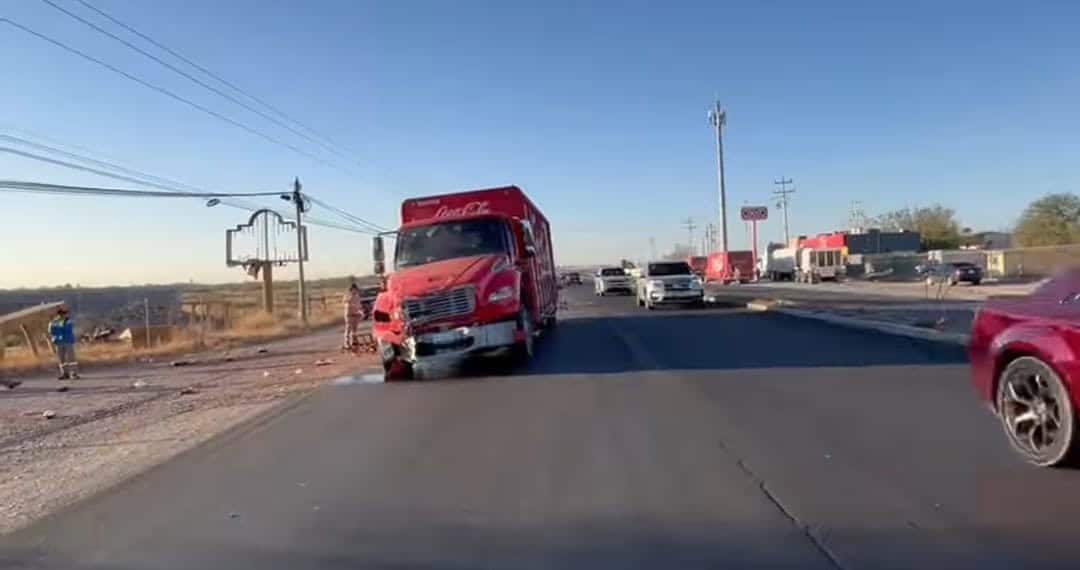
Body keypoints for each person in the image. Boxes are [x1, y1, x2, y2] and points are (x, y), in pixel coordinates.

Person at [49, 307, 79, 380]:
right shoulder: (54, 322)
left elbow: (68, 329)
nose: (62, 315)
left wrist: (60, 326)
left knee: (71, 358)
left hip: (67, 341)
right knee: (61, 359)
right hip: (59, 342)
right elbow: (51, 331)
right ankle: (64, 373)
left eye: (64, 313)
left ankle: (73, 373)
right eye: (61, 314)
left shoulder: (69, 321)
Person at [342, 283, 364, 349]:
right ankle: (346, 343)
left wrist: (360, 311)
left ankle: (354, 341)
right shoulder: (347, 295)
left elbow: (359, 305)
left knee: (355, 329)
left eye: (356, 290)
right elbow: (345, 302)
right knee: (348, 329)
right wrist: (350, 302)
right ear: (351, 289)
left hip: (356, 314)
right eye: (354, 289)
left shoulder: (357, 296)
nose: (355, 291)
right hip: (349, 314)